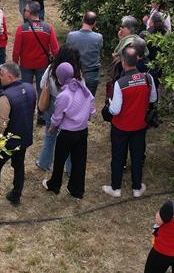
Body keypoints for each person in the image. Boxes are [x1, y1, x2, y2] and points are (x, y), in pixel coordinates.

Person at [103, 46, 156, 198]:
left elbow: (115, 110)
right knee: (137, 156)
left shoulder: (120, 83)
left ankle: (116, 187)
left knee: (118, 156)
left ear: (123, 61)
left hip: (121, 126)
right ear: (137, 60)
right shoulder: (148, 78)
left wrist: (111, 102)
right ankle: (137, 188)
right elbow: (152, 99)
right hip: (140, 126)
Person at [0, 63, 36, 206]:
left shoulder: (5, 97)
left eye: (1, 75)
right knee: (19, 165)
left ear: (9, 77)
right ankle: (16, 196)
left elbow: (0, 124)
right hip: (24, 138)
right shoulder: (30, 88)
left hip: (8, 142)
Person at [41, 62, 94, 199]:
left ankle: (54, 185)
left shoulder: (64, 95)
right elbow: (91, 109)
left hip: (67, 134)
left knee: (59, 160)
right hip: (82, 131)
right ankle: (77, 190)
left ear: (60, 78)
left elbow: (57, 117)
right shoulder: (83, 88)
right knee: (79, 162)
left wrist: (52, 129)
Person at [34, 46, 83, 174]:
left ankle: (44, 162)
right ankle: (70, 168)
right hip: (70, 104)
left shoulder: (52, 69)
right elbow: (82, 88)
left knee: (50, 135)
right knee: (69, 137)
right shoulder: (77, 72)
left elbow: (41, 85)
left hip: (52, 104)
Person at [12, 1, 58, 122]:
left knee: (26, 90)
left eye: (25, 10)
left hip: (26, 65)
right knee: (42, 89)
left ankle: (27, 114)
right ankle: (41, 115)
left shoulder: (21, 29)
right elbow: (55, 49)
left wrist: (15, 62)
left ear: (30, 13)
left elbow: (16, 49)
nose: (24, 12)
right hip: (42, 65)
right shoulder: (48, 28)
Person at [65, 11, 104, 95]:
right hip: (92, 74)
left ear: (83, 20)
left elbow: (67, 52)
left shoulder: (71, 36)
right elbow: (99, 51)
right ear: (94, 23)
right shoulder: (99, 37)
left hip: (75, 73)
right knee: (89, 101)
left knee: (73, 99)